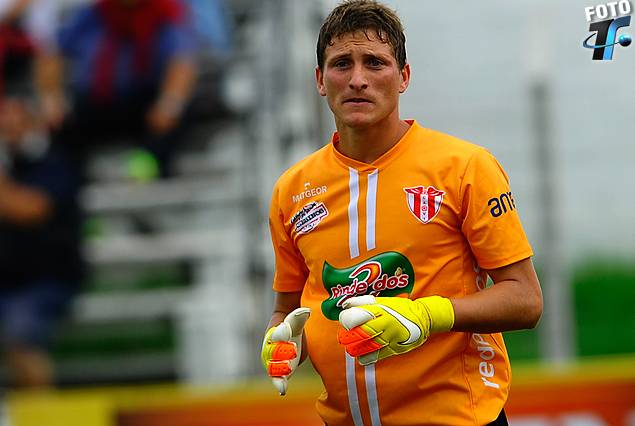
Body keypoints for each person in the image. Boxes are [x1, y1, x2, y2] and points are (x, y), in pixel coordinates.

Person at [261, 1, 543, 425]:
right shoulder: (292, 189)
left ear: (404, 77)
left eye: (375, 62)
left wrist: (427, 315)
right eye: (342, 64)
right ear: (320, 80)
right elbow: (288, 310)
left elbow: (525, 299)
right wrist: (283, 343)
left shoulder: (465, 167)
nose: (357, 79)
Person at [53, 0, 198, 178]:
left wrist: (169, 105)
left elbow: (182, 62)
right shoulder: (94, 14)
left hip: (145, 101)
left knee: (174, 115)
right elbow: (53, 52)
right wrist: (52, 99)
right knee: (60, 125)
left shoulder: (167, 13)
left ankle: (149, 168)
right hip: (98, 101)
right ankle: (68, 179)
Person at [0, 96, 83, 388]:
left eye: (15, 125)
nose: (9, 133)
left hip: (47, 279)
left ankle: (39, 409)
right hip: (8, 279)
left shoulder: (55, 163)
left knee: (21, 331)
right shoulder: (11, 167)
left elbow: (31, 209)